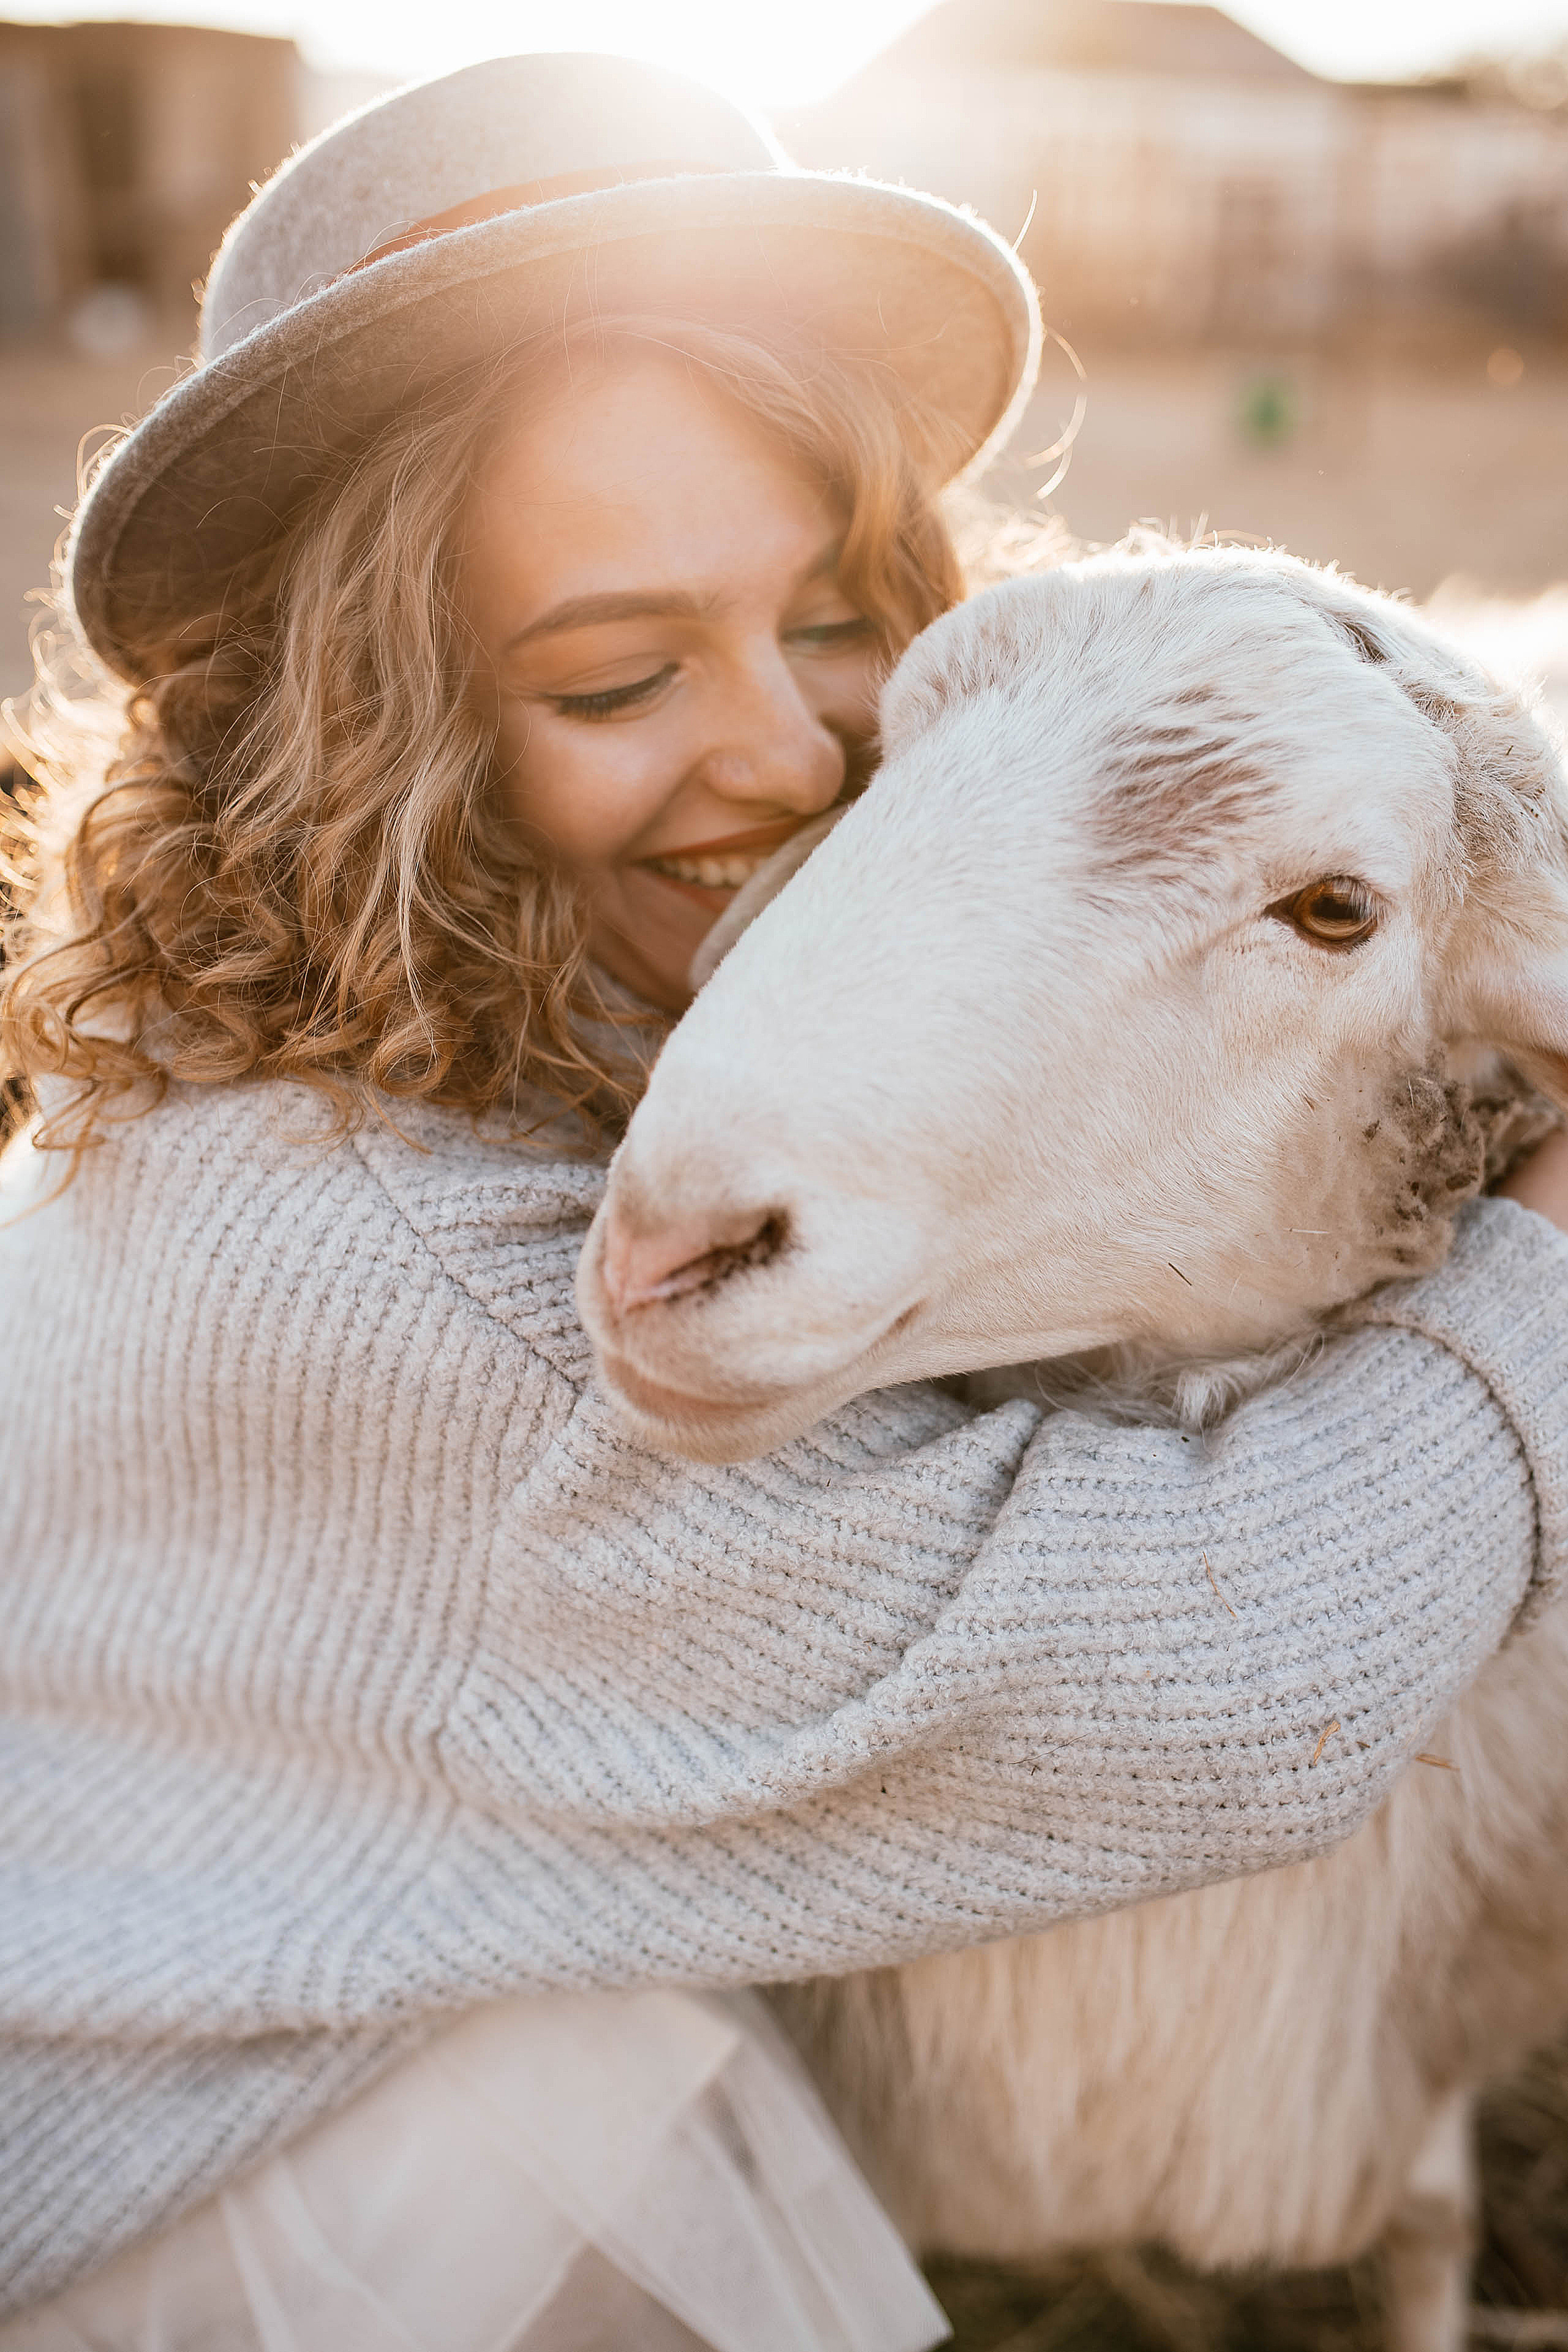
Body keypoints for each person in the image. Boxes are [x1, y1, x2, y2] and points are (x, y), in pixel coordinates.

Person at [4, 49, 1568, 2352]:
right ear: (380, 714)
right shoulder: (387, 1274)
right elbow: (1206, 1678)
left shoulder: (444, 1021)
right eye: (620, 672)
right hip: (231, 2174)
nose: (788, 751)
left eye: (839, 616)